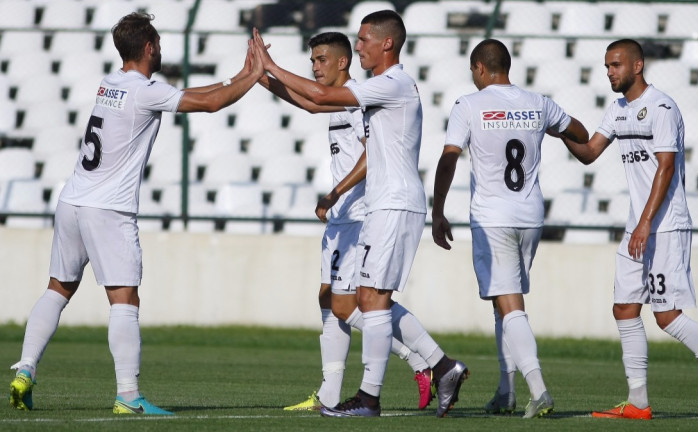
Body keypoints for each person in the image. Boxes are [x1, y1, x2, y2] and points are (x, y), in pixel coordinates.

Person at [8, 13, 264, 415]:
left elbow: (194, 92)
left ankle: (25, 368)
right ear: (148, 48)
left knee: (58, 288)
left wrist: (240, 75)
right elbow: (211, 103)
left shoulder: (109, 83)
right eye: (157, 44)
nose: (160, 50)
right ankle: (128, 396)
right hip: (108, 207)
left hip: (72, 199)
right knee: (125, 298)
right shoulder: (146, 91)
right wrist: (256, 75)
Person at [253, 10, 468, 418]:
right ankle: (438, 368)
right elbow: (314, 102)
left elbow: (319, 99)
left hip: (390, 202)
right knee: (365, 299)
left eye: (364, 39)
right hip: (382, 205)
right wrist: (261, 77)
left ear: (387, 43)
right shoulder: (378, 86)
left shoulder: (393, 83)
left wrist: (272, 67)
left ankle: (380, 392)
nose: (358, 46)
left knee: (368, 300)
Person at [554, 38, 698, 422]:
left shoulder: (662, 107)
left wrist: (646, 222)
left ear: (637, 65)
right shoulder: (617, 110)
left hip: (665, 226)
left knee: (667, 316)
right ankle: (638, 402)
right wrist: (560, 128)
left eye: (616, 65)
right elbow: (590, 153)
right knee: (624, 308)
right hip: (639, 226)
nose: (609, 72)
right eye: (606, 66)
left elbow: (666, 167)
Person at [431, 39, 589, 419]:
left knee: (510, 304)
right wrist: (548, 128)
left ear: (480, 68)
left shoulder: (469, 105)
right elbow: (581, 134)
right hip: (530, 216)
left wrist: (437, 210)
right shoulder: (539, 103)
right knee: (502, 304)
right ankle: (506, 391)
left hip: (493, 217)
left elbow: (449, 159)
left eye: (473, 71)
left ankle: (538, 389)